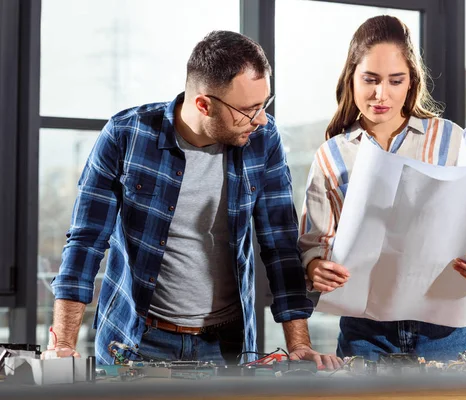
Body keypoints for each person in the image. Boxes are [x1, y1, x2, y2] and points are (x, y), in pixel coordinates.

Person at [48, 30, 340, 369]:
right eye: (248, 110)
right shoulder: (126, 135)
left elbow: (280, 245)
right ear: (203, 104)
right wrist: (63, 347)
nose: (260, 119)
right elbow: (85, 242)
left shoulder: (264, 138)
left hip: (226, 346)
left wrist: (299, 344)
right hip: (136, 342)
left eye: (265, 105)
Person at [298, 15, 466, 362]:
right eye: (369, 79)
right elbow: (314, 245)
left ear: (411, 82)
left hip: (446, 332)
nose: (380, 94)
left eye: (395, 81)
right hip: (366, 335)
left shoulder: (450, 139)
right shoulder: (332, 155)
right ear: (351, 78)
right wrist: (315, 268)